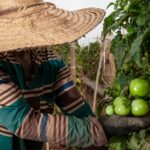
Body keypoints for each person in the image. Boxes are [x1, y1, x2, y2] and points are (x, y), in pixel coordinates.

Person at [0, 0, 150, 150]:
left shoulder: (51, 61)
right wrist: (103, 128)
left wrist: (99, 136)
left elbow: (76, 108)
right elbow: (23, 122)